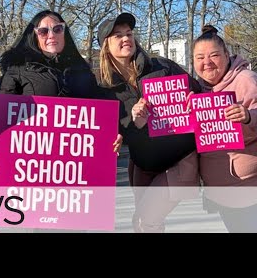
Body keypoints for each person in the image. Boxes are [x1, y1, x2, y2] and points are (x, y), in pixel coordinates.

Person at [0, 9, 122, 172]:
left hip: (73, 166)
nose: (51, 35)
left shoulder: (82, 71)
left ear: (64, 33)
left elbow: (100, 113)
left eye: (57, 29)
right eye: (43, 31)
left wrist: (114, 133)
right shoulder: (17, 70)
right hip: (31, 164)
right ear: (35, 36)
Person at [97, 12, 201, 233]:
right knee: (143, 224)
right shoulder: (103, 88)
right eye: (118, 35)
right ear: (105, 45)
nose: (127, 38)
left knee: (148, 220)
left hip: (179, 160)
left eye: (129, 33)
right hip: (143, 164)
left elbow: (198, 92)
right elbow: (111, 131)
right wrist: (132, 125)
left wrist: (193, 98)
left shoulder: (162, 66)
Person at [192, 25, 257, 233]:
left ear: (227, 55)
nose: (207, 62)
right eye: (199, 57)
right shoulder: (197, 90)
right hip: (220, 188)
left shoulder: (245, 79)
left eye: (214, 55)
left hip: (248, 187)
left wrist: (248, 116)